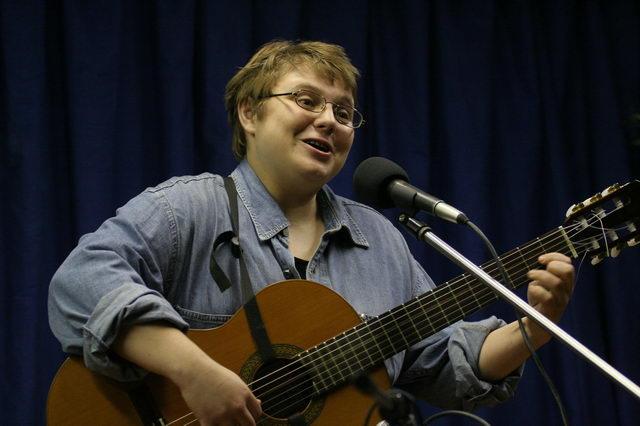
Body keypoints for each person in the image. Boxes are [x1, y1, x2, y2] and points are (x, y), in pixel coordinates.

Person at [48, 40, 575, 425]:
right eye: (307, 101)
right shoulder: (188, 207)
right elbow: (82, 281)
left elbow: (441, 362)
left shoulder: (381, 240)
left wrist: (533, 327)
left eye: (344, 112)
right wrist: (193, 371)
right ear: (249, 113)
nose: (329, 120)